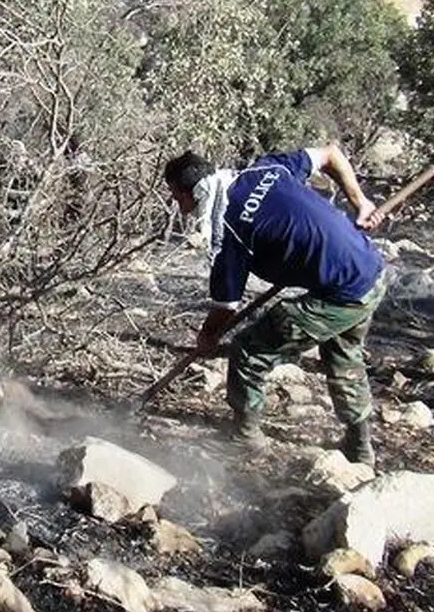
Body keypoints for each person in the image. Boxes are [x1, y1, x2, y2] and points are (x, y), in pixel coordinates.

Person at [164, 145, 387, 465]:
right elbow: (330, 155)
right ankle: (360, 448)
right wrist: (360, 201)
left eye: (178, 198)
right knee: (344, 357)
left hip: (343, 292)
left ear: (195, 191)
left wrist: (207, 336)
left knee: (248, 351)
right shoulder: (266, 169)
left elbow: (226, 305)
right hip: (369, 271)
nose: (181, 208)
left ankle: (246, 439)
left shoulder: (227, 228)